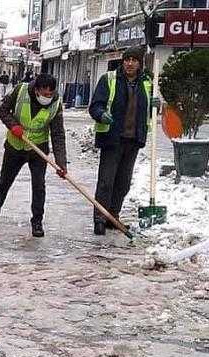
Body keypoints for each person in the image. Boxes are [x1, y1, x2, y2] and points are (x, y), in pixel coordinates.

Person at [0, 73, 67, 238]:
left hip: (38, 149)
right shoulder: (21, 91)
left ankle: (37, 222)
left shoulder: (55, 104)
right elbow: (2, 108)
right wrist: (13, 125)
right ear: (37, 89)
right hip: (15, 147)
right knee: (4, 182)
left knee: (39, 187)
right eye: (44, 94)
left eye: (50, 94)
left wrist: (61, 163)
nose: (47, 97)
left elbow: (58, 134)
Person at [88, 46, 151, 235]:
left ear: (140, 63)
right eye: (127, 60)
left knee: (123, 182)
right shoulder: (109, 79)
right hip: (112, 138)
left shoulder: (147, 83)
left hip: (133, 140)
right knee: (106, 181)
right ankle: (100, 218)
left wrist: (155, 105)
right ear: (122, 62)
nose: (130, 63)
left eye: (134, 60)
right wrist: (101, 114)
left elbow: (149, 108)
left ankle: (113, 216)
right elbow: (95, 105)